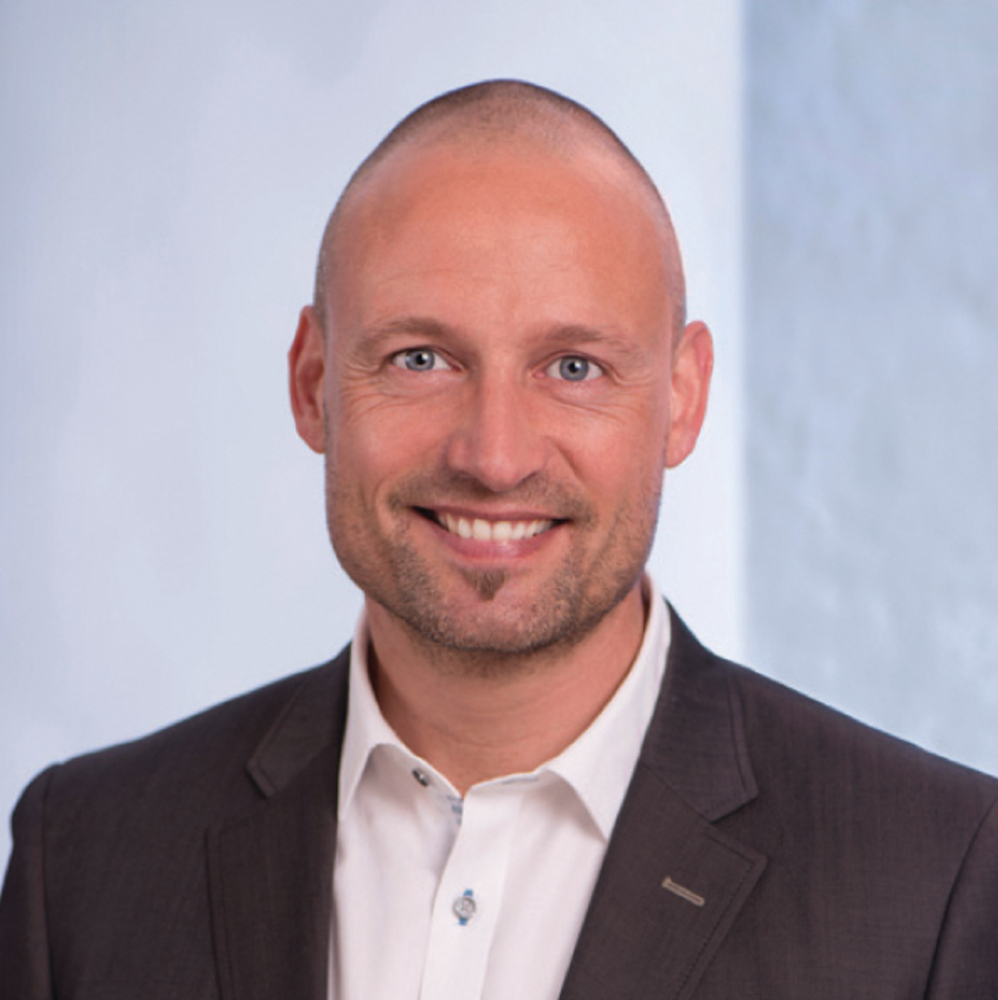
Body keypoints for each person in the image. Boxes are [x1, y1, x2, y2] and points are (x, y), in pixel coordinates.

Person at [1, 79, 996, 1000]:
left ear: (682, 399)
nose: (494, 456)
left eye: (573, 367)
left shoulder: (934, 880)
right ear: (311, 384)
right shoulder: (82, 860)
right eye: (420, 359)